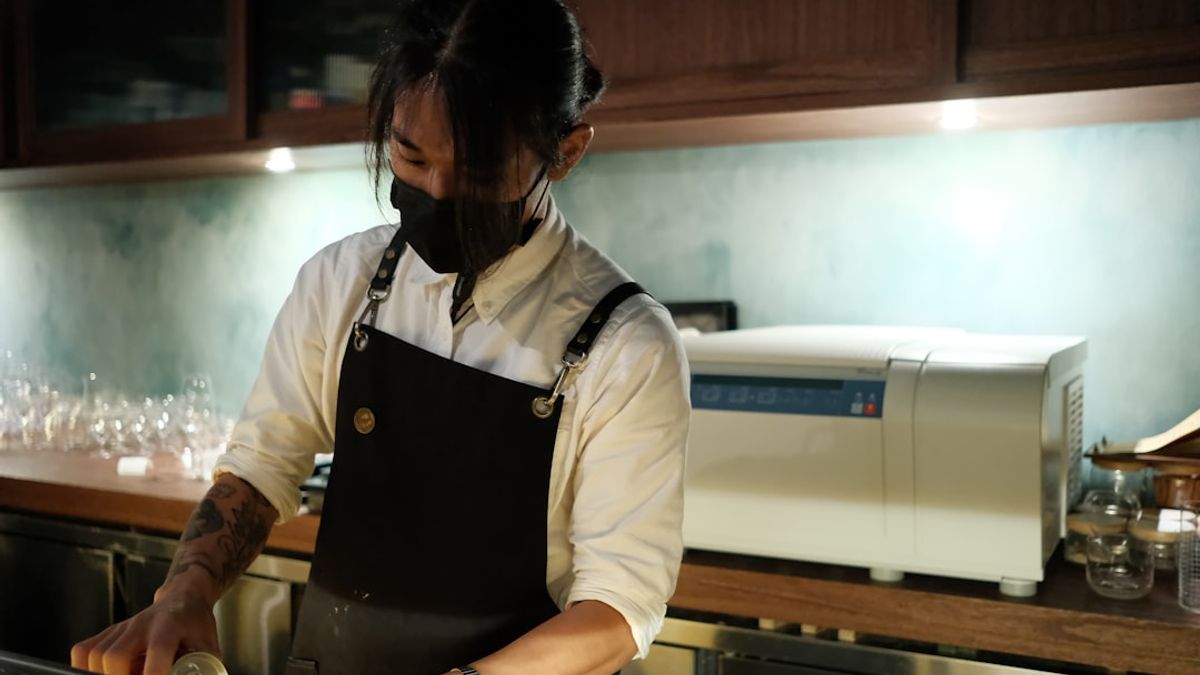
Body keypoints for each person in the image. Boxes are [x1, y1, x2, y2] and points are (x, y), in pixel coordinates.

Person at [71, 1, 690, 674]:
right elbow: (261, 464)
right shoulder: (343, 282)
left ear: (565, 153)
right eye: (411, 156)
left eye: (481, 171)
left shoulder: (625, 343)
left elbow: (620, 604)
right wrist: (184, 593)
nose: (436, 190)